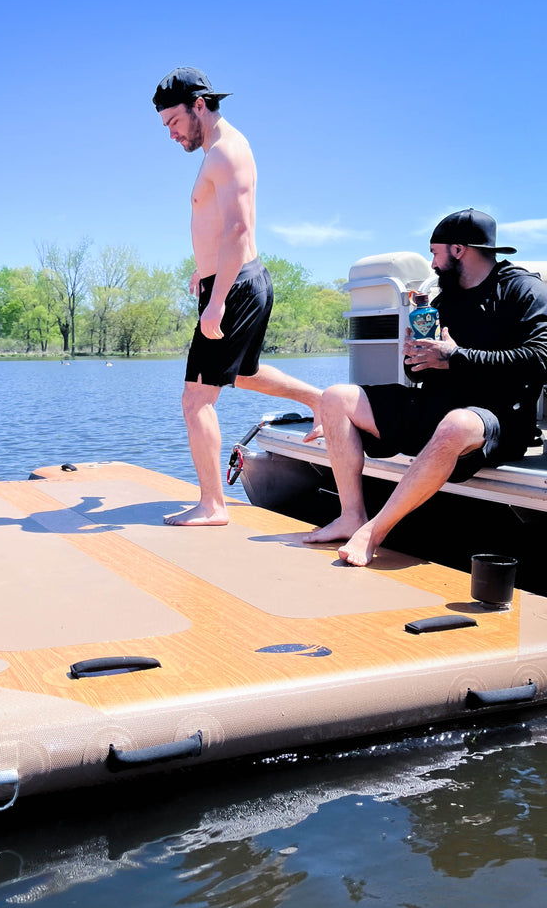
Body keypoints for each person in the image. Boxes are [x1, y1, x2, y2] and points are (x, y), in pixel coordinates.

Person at [304, 208, 547, 565]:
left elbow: (539, 359)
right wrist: (418, 358)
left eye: (435, 252)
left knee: (457, 423)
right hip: (436, 406)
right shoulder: (443, 300)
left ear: (459, 249)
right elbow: (423, 373)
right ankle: (351, 514)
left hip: (495, 418)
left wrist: (455, 357)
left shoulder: (522, 289)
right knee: (337, 397)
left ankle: (374, 530)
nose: (432, 263)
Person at [153, 66, 323, 526]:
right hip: (229, 280)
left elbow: (238, 227)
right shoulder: (218, 152)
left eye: (173, 122)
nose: (170, 134)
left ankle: (212, 505)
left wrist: (218, 298)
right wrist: (203, 272)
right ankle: (320, 401)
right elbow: (220, 228)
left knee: (196, 401)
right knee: (241, 374)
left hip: (236, 286)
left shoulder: (227, 151)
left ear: (200, 106)